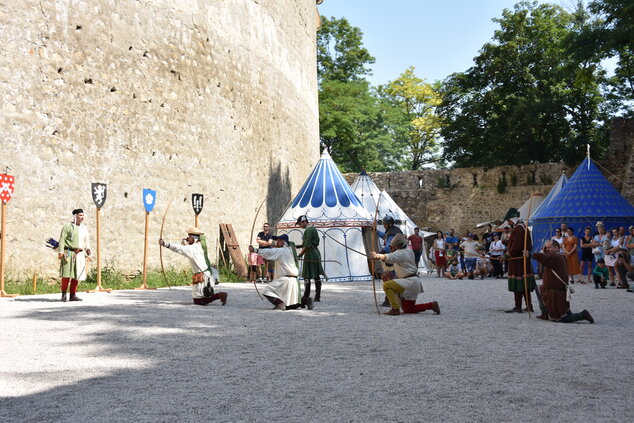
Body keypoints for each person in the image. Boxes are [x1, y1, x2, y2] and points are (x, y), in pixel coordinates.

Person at [370, 234, 440, 316]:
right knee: (409, 309)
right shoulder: (408, 250)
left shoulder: (401, 253)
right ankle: (431, 305)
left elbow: (389, 257)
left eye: (392, 247)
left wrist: (377, 256)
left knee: (387, 285)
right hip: (413, 283)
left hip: (409, 283)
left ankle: (395, 309)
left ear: (398, 246)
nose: (391, 248)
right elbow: (393, 260)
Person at [528, 240, 594, 323]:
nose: (547, 249)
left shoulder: (556, 257)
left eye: (549, 247)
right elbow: (546, 259)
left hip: (556, 293)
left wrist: (531, 255)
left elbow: (545, 258)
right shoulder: (557, 257)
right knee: (539, 288)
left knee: (563, 318)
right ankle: (545, 313)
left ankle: (583, 315)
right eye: (546, 248)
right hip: (553, 290)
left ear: (556, 248)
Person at [159, 227, 227, 306]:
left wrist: (165, 244)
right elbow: (185, 249)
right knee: (201, 297)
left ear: (194, 238)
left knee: (198, 300)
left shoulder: (193, 248)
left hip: (202, 276)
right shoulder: (199, 246)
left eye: (189, 237)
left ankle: (220, 295)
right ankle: (219, 296)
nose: (187, 239)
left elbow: (180, 249)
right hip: (205, 275)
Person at [257, 234, 312, 310]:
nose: (277, 242)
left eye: (279, 241)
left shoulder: (282, 250)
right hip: (291, 280)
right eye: (277, 240)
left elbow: (270, 252)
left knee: (266, 290)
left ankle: (279, 304)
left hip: (286, 280)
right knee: (291, 304)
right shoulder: (288, 250)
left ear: (284, 242)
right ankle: (306, 300)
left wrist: (255, 250)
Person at [503, 211, 536, 313]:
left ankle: (518, 306)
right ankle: (529, 306)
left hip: (518, 261)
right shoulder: (523, 227)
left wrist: (506, 255)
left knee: (518, 284)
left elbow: (517, 246)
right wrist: (507, 242)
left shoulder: (518, 228)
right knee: (524, 284)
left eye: (509, 220)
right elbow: (520, 243)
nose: (508, 223)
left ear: (512, 219)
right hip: (522, 260)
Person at [57, 209, 91, 302]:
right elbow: (62, 239)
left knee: (77, 275)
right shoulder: (67, 226)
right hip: (68, 253)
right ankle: (64, 294)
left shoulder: (84, 228)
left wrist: (88, 249)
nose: (82, 217)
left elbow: (87, 240)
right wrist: (60, 251)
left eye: (83, 215)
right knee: (66, 274)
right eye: (80, 215)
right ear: (75, 216)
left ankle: (72, 294)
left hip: (79, 254)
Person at [296, 215, 325, 302]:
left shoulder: (308, 230)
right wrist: (301, 245)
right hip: (315, 253)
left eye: (300, 224)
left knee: (306, 275)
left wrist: (300, 255)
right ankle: (317, 296)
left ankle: (306, 295)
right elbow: (313, 242)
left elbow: (308, 245)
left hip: (310, 254)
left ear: (304, 222)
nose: (300, 226)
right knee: (316, 276)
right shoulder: (313, 229)